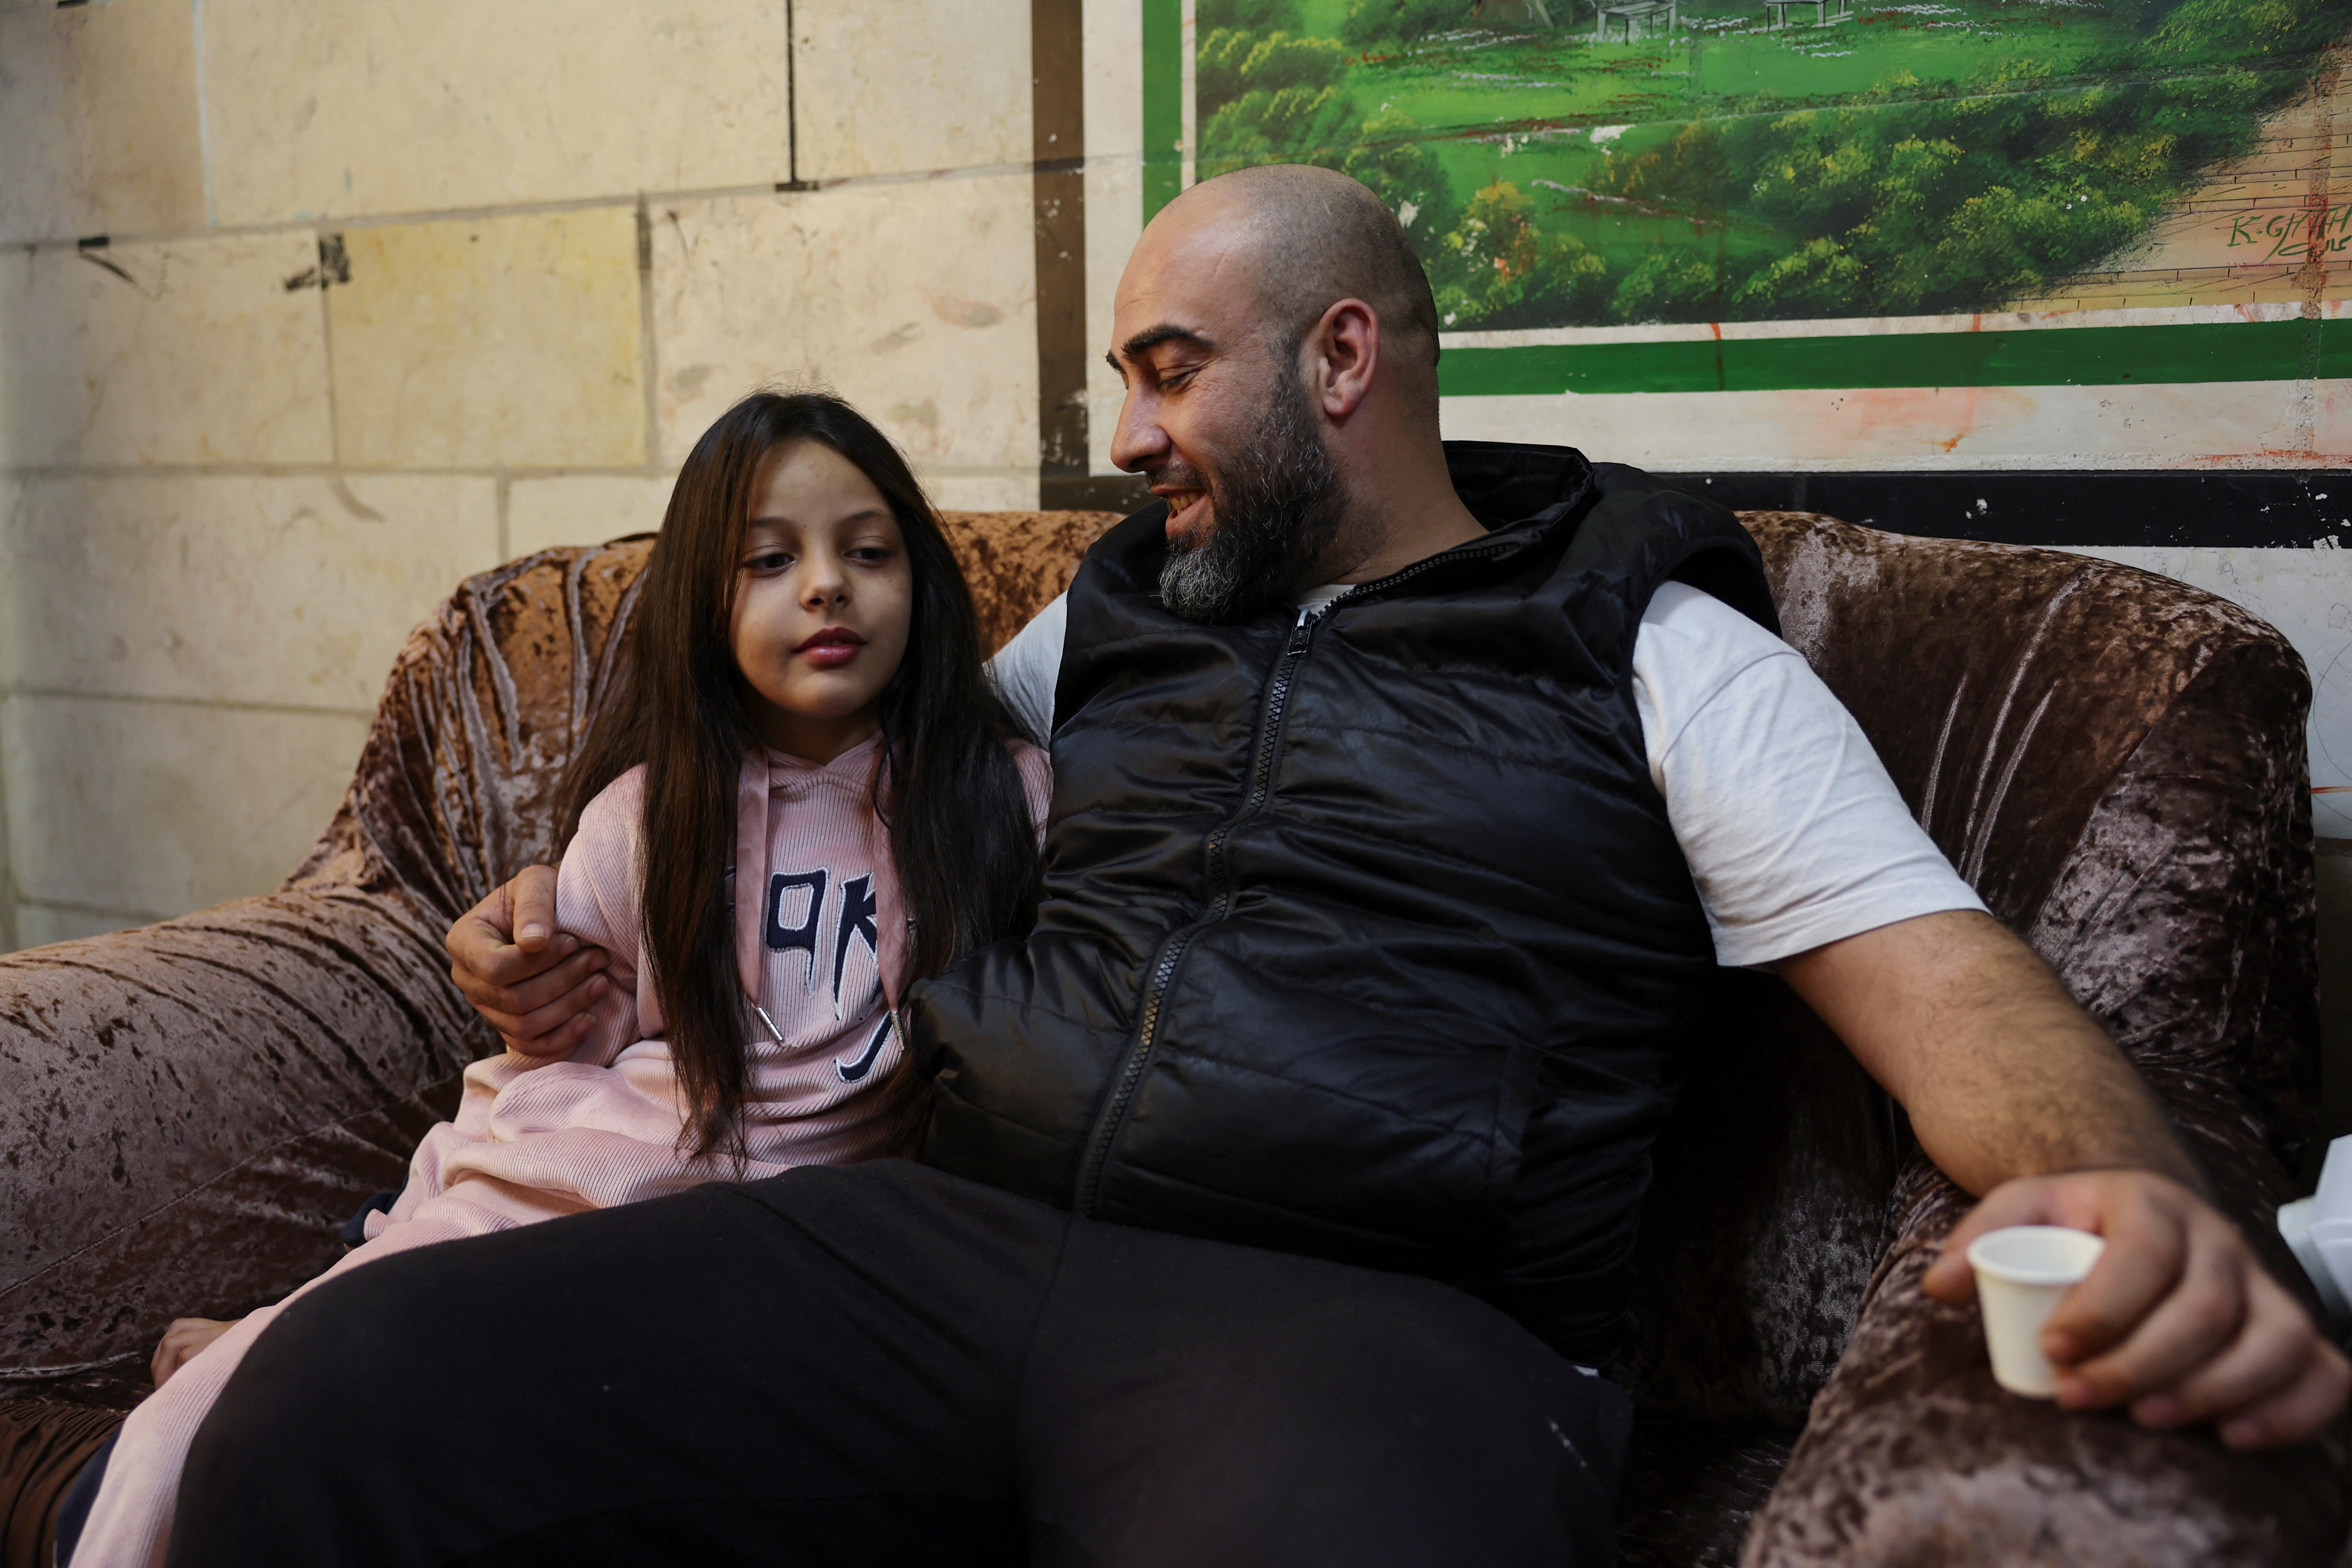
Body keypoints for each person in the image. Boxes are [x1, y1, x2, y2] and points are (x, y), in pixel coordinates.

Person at [160, 165, 2346, 1567]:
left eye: (1164, 369)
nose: (1119, 435)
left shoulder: (1651, 647)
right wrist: (542, 910)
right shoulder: (1104, 618)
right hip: (943, 1248)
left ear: (1341, 358)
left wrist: (2137, 1193)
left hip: (1380, 1321)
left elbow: (1949, 978)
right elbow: (793, 736)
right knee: (343, 1411)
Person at [56, 391, 1050, 1568]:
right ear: (703, 606)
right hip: (582, 1172)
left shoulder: (1007, 800)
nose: (826, 585)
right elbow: (554, 1059)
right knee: (201, 1426)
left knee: (368, 1363)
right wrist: (524, 982)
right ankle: (275, 1334)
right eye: (769, 561)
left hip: (774, 1243)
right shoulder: (650, 814)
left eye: (867, 551)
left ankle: (293, 1320)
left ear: (919, 580)